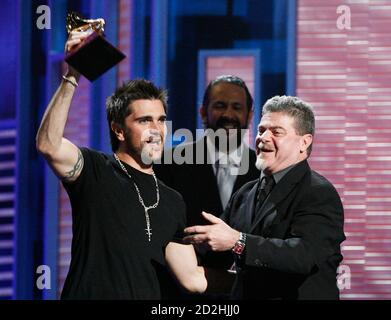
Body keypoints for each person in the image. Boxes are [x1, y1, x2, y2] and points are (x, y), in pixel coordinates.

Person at [36, 31, 207, 299]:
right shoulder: (95, 169)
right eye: (144, 121)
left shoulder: (173, 200)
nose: (156, 130)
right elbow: (48, 144)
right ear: (118, 130)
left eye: (161, 120)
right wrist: (73, 76)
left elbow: (193, 280)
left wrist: (244, 247)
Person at [184, 95, 346, 300]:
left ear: (304, 142)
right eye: (261, 130)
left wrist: (239, 241)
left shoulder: (318, 192)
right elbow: (216, 255)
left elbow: (305, 255)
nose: (263, 138)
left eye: (276, 132)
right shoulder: (244, 194)